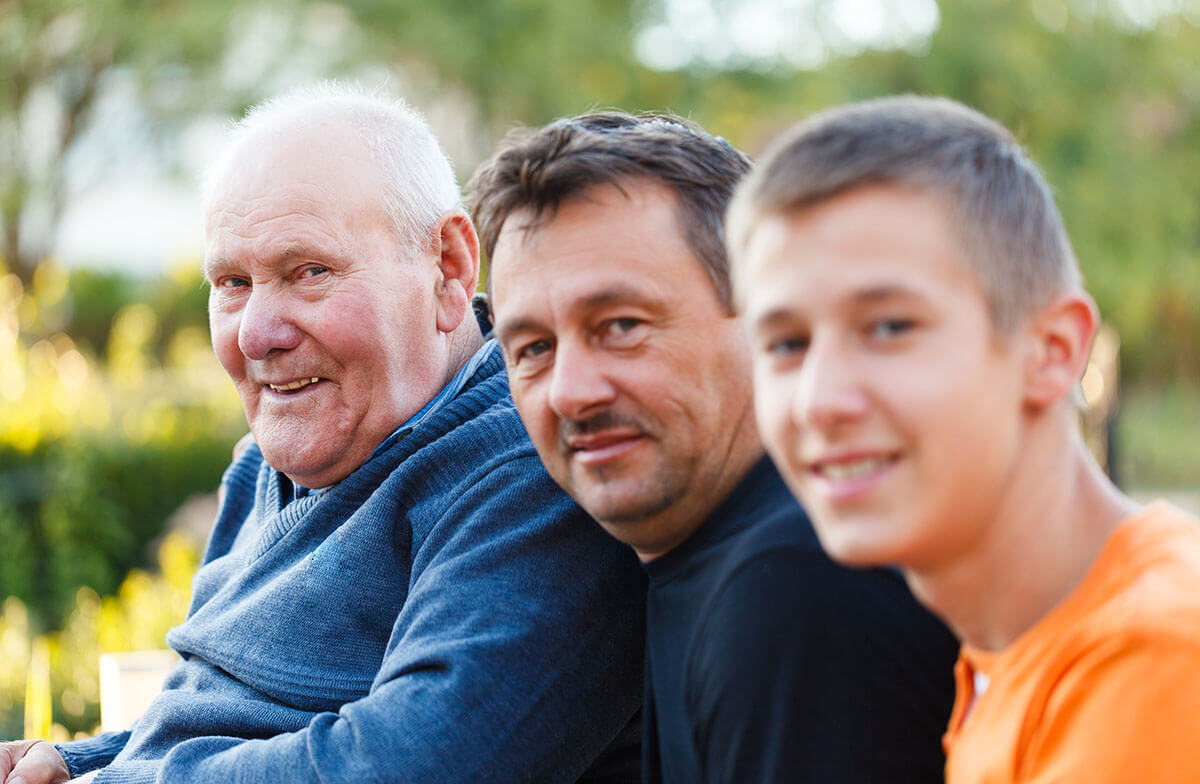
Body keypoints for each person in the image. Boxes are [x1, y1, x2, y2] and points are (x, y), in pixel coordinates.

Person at [0, 85, 646, 784]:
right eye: (232, 282)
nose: (255, 335)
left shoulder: (532, 472)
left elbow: (417, 763)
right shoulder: (267, 465)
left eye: (309, 272)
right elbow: (224, 721)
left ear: (449, 269)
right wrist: (77, 762)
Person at [469, 111, 958, 784]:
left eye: (620, 325)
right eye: (534, 349)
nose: (570, 391)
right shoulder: (698, 560)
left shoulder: (795, 586)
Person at [729, 95, 1200, 783]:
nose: (818, 401)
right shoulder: (1013, 649)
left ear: (1051, 350)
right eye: (786, 343)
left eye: (889, 327)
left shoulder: (1151, 665)